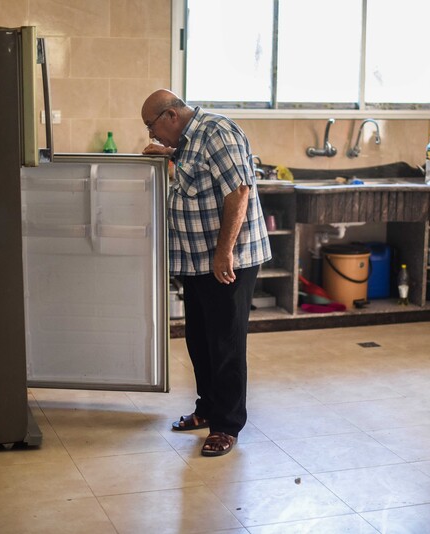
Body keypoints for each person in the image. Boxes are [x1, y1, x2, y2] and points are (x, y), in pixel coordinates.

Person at [141, 89, 271, 457]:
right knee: (199, 339)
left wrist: (224, 252)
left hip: (228, 261)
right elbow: (198, 171)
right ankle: (208, 408)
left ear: (170, 116)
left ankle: (227, 425)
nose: (153, 136)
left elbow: (239, 191)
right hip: (196, 261)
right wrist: (168, 155)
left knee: (225, 343)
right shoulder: (189, 140)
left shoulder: (217, 132)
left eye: (152, 128)